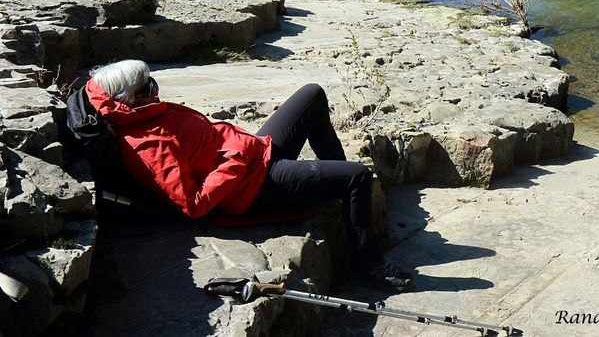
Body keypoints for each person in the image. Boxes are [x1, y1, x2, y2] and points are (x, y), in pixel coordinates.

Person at [71, 59, 410, 292]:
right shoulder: (147, 144)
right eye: (148, 84)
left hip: (253, 153)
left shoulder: (143, 113)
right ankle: (366, 264)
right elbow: (192, 205)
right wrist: (234, 160)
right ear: (131, 98)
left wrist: (239, 152)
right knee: (357, 177)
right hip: (251, 187)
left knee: (313, 93)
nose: (155, 86)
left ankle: (333, 187)